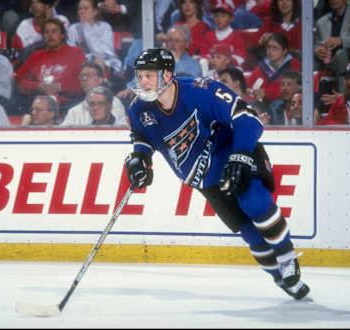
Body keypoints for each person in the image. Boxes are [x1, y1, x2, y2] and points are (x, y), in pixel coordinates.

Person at [124, 48, 310, 300]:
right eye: (140, 75)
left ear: (167, 75)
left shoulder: (202, 90)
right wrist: (140, 157)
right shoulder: (138, 108)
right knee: (248, 231)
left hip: (234, 152)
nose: (142, 81)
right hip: (202, 176)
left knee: (254, 202)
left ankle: (287, 257)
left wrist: (240, 154)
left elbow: (247, 119)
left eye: (149, 75)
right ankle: (281, 279)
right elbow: (142, 137)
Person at [14, 17, 86, 115]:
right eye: (46, 32)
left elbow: (84, 82)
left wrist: (61, 87)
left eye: (54, 31)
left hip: (68, 105)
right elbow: (19, 81)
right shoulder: (36, 56)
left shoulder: (76, 53)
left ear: (62, 35)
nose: (50, 35)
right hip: (38, 105)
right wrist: (38, 86)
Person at [313, 0, 350, 93]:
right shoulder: (321, 22)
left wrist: (342, 41)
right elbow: (316, 44)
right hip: (328, 62)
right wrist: (316, 51)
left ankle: (343, 97)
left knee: (341, 55)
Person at [60, 61, 128, 127]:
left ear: (101, 79)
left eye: (89, 75)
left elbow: (119, 131)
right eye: (82, 75)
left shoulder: (114, 103)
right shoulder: (74, 111)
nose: (84, 78)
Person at [67, 0, 122, 76]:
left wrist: (86, 27)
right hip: (81, 62)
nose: (81, 12)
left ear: (94, 12)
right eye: (80, 9)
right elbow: (71, 53)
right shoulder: (73, 28)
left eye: (85, 8)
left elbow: (104, 53)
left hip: (105, 62)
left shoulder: (104, 27)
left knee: (98, 61)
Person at [247, 32, 301, 105]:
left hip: (285, 104)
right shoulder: (261, 67)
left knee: (277, 103)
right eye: (269, 47)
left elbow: (291, 90)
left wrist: (266, 93)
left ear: (284, 51)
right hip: (262, 104)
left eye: (275, 48)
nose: (270, 51)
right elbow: (250, 87)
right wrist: (251, 91)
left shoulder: (294, 65)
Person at [199, 3, 247, 69]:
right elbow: (204, 55)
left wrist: (223, 63)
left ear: (231, 18)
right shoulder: (208, 36)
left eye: (223, 16)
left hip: (231, 70)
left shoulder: (236, 36)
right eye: (216, 16)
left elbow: (240, 58)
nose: (219, 19)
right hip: (211, 70)